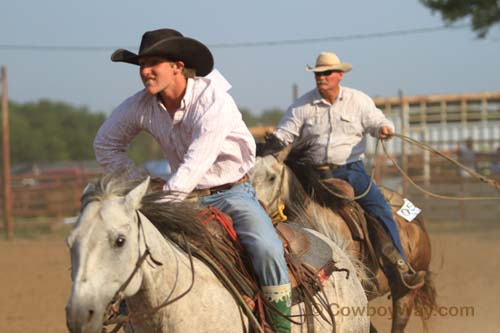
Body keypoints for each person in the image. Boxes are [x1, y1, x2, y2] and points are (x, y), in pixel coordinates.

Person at [94, 28, 291, 332]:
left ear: (177, 66)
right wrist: (143, 183)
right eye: (142, 65)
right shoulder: (140, 106)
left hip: (233, 193)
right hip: (182, 195)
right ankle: (125, 316)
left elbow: (197, 160)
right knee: (135, 247)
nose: (145, 72)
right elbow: (105, 144)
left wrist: (164, 200)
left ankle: (281, 326)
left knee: (267, 247)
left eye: (153, 63)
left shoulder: (213, 100)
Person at [265, 51, 425, 290]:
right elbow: (284, 135)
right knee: (282, 210)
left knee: (378, 207)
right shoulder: (301, 106)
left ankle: (400, 265)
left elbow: (376, 120)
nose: (321, 77)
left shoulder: (358, 100)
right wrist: (268, 147)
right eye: (318, 73)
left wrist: (384, 128)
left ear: (340, 75)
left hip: (350, 171)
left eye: (327, 73)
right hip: (312, 174)